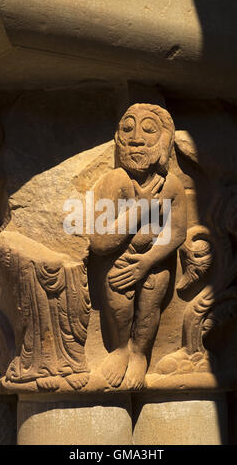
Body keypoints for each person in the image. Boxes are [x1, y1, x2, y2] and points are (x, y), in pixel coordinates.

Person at [89, 103, 187, 389]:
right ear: (118, 139)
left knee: (149, 305)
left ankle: (140, 353)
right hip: (120, 259)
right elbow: (101, 240)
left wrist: (148, 261)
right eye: (128, 128)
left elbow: (178, 231)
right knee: (119, 299)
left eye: (148, 130)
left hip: (154, 261)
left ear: (164, 140)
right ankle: (120, 349)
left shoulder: (171, 186)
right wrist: (142, 209)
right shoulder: (115, 180)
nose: (136, 138)